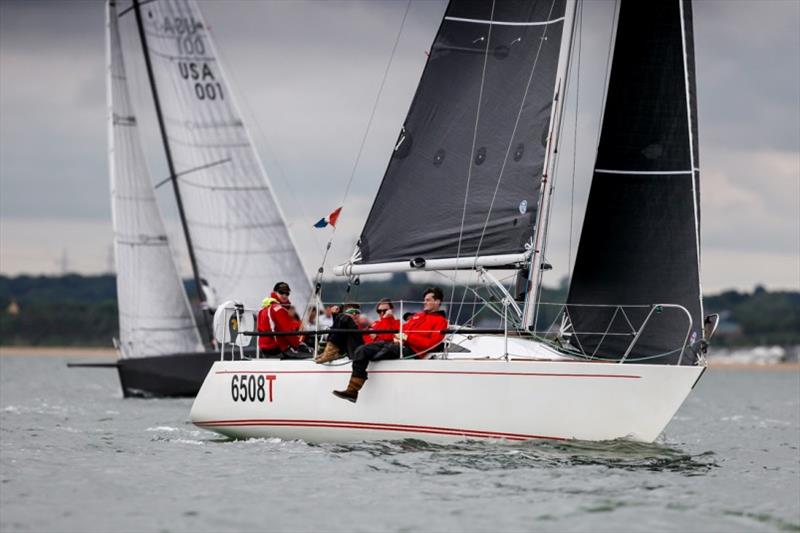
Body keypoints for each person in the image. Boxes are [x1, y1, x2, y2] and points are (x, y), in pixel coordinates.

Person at [332, 287, 448, 403]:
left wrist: (406, 337)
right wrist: (399, 336)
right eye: (424, 299)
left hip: (411, 350)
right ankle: (352, 390)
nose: (424, 302)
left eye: (428, 300)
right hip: (395, 344)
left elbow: (431, 344)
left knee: (378, 353)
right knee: (362, 350)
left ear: (437, 302)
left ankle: (356, 371)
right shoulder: (418, 316)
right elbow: (400, 331)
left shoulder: (441, 321)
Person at [257, 282, 311, 359]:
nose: (284, 295)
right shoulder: (278, 309)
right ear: (275, 292)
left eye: (287, 293)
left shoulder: (263, 309)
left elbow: (259, 329)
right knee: (309, 355)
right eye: (281, 292)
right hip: (277, 348)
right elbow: (287, 331)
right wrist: (298, 344)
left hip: (264, 349)